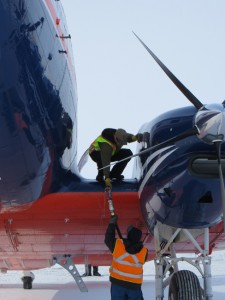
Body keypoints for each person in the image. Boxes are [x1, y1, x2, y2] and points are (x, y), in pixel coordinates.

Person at [105, 215, 148, 300]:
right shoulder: (144, 252)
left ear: (129, 236)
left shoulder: (118, 246)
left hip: (118, 285)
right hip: (134, 286)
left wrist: (112, 224)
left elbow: (108, 239)